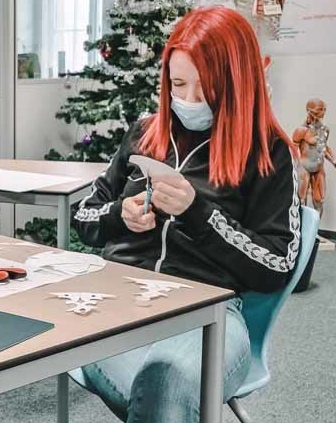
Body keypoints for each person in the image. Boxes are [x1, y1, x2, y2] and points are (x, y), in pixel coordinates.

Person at [71, 6, 300, 423]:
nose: (189, 101)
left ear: (237, 82)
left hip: (208, 315)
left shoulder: (267, 152)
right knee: (163, 396)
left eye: (206, 87)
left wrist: (198, 213)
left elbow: (275, 267)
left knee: (167, 385)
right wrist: (120, 217)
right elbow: (84, 217)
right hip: (117, 304)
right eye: (178, 84)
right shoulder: (144, 133)